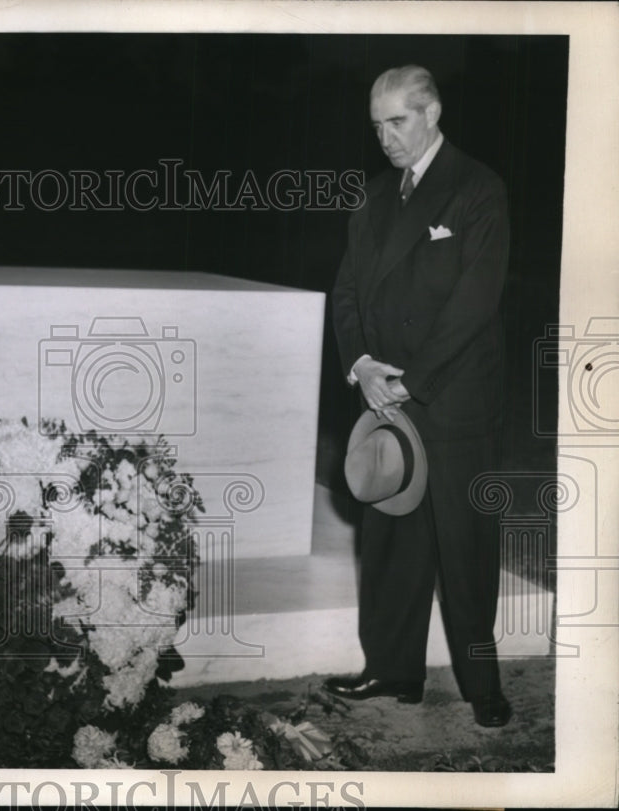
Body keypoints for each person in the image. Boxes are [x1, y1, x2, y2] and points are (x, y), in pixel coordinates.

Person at [326, 65, 512, 727]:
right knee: (390, 544)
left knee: (465, 547)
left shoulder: (478, 188)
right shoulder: (373, 197)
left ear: (432, 113)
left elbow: (473, 304)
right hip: (384, 398)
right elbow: (345, 294)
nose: (386, 138)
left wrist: (409, 379)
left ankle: (483, 687)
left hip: (451, 399)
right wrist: (363, 367)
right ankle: (392, 670)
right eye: (377, 126)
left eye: (397, 121)